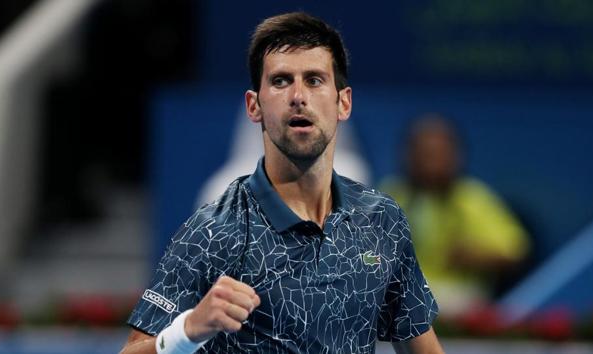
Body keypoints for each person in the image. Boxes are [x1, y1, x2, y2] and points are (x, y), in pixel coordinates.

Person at [121, 12, 443, 354]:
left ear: (343, 102)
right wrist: (188, 331)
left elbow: (419, 345)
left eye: (315, 80)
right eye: (280, 81)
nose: (298, 96)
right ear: (254, 105)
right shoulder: (211, 232)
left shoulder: (382, 220)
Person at [378, 114, 529, 316]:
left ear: (455, 156)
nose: (429, 163)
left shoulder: (473, 198)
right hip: (399, 299)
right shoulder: (390, 195)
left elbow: (516, 252)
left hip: (459, 300)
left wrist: (477, 255)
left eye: (437, 154)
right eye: (423, 153)